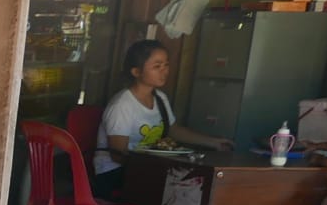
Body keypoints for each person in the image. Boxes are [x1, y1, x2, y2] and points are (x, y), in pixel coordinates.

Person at [93, 40, 232, 196]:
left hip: (146, 167)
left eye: (166, 65)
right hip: (114, 173)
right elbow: (118, 155)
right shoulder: (122, 105)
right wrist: (159, 168)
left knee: (196, 182)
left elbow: (173, 130)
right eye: (157, 66)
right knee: (180, 188)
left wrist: (213, 142)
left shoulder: (160, 98)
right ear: (136, 72)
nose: (164, 71)